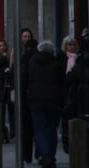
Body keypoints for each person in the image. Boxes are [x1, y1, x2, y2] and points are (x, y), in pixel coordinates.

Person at [26, 40, 63, 168]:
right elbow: (61, 81)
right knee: (52, 128)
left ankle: (45, 154)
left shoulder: (32, 62)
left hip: (36, 100)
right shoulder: (56, 63)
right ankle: (51, 155)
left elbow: (27, 79)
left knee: (39, 129)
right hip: (53, 99)